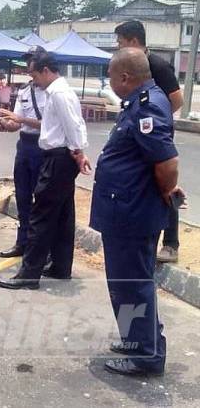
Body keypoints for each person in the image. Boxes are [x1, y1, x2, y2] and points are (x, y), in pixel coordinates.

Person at [90, 48, 183, 376]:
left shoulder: (147, 106)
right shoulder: (143, 99)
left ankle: (145, 355)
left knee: (131, 284)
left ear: (125, 77)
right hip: (126, 210)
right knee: (129, 283)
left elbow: (167, 163)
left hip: (132, 214)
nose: (110, 82)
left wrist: (164, 192)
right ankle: (138, 342)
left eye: (111, 76)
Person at [0, 48, 91, 290]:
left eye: (34, 74)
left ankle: (28, 275)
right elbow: (74, 127)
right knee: (62, 216)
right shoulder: (59, 91)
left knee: (41, 216)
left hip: (58, 158)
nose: (33, 79)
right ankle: (60, 267)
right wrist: (77, 153)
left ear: (46, 70)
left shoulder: (58, 94)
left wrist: (78, 152)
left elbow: (73, 127)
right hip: (61, 156)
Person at [114, 20, 183, 263]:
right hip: (138, 137)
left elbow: (177, 99)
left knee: (165, 186)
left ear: (133, 40)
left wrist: (155, 120)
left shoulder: (156, 65)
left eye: (120, 42)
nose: (118, 47)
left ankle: (171, 243)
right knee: (145, 187)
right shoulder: (130, 66)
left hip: (155, 137)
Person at [0, 78, 47, 258]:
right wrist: (5, 124)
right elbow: (16, 124)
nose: (29, 69)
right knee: (23, 197)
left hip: (44, 146)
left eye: (32, 64)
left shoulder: (53, 92)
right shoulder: (25, 91)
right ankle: (22, 243)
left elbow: (51, 124)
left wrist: (22, 119)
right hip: (25, 146)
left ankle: (42, 248)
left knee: (42, 199)